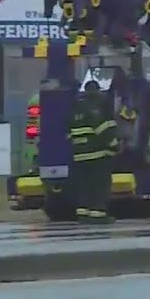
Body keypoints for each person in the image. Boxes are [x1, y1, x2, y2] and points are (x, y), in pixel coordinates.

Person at [67, 80, 119, 221]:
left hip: (79, 156)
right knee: (100, 186)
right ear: (97, 91)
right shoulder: (97, 106)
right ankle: (99, 214)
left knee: (84, 186)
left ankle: (83, 213)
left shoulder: (76, 107)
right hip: (97, 155)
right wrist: (114, 146)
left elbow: (68, 133)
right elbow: (103, 129)